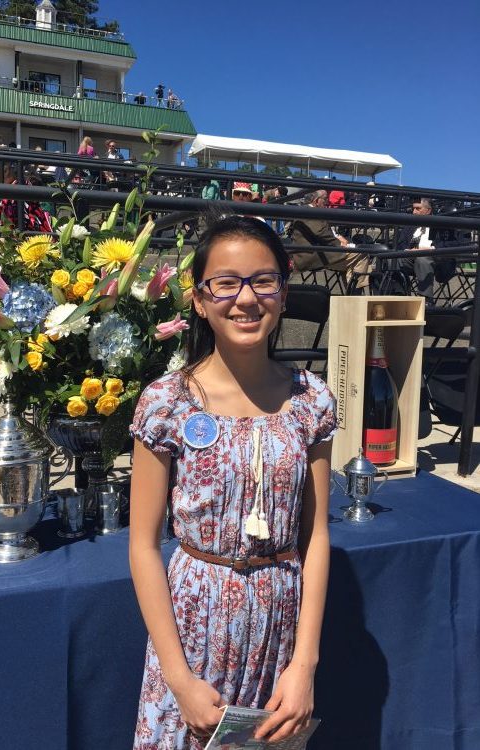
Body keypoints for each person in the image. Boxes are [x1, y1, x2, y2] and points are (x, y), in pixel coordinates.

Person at [130, 215, 336, 748]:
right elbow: (143, 546)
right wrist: (179, 680)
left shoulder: (310, 402)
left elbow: (314, 536)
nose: (246, 299)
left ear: (283, 293)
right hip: (195, 629)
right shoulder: (167, 403)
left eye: (263, 280)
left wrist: (305, 666)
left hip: (280, 626)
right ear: (199, 299)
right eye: (226, 282)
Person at [287, 189, 369, 289]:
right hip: (313, 255)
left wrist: (338, 238)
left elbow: (324, 232)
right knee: (362, 254)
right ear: (316, 201)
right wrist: (339, 244)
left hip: (318, 251)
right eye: (325, 199)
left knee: (354, 261)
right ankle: (354, 294)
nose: (328, 201)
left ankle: (351, 294)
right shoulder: (308, 212)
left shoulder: (309, 210)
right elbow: (321, 233)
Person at [395, 197, 457, 305]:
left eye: (418, 209)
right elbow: (400, 244)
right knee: (392, 260)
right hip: (411, 258)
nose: (414, 212)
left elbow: (452, 244)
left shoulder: (440, 224)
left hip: (436, 258)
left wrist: (431, 249)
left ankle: (426, 301)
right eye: (413, 209)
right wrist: (408, 250)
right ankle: (398, 295)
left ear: (428, 211)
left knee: (423, 258)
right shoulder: (410, 226)